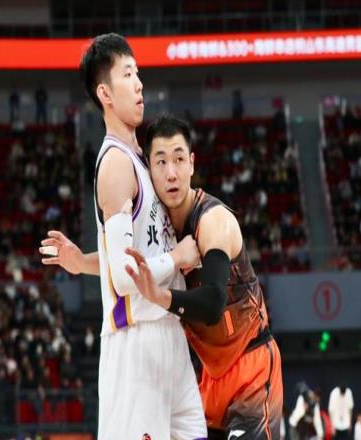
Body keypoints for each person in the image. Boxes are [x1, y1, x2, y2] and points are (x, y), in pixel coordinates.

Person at [40, 34, 206, 440]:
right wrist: (179, 257)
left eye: (138, 73)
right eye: (128, 74)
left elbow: (130, 256)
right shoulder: (115, 163)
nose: (139, 84)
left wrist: (83, 262)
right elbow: (124, 276)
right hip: (135, 343)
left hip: (169, 332)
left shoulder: (141, 158)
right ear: (105, 94)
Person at [125, 115, 283, 439]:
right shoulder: (157, 229)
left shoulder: (213, 220)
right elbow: (126, 264)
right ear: (149, 169)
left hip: (249, 365)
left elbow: (212, 304)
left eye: (179, 159)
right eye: (161, 162)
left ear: (192, 164)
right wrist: (81, 261)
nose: (171, 172)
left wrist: (160, 296)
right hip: (205, 376)